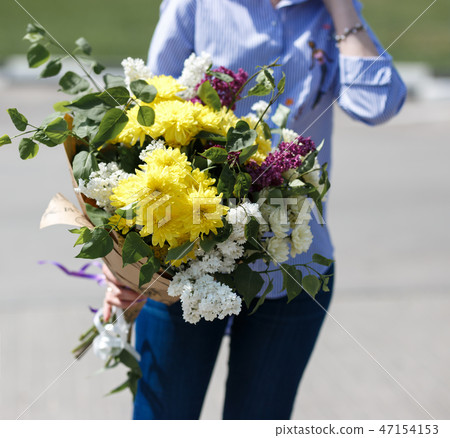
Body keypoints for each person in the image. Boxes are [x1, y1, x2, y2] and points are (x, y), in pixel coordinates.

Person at [103, 0, 407, 420]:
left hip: (294, 272)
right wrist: (125, 258)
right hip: (182, 263)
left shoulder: (329, 13)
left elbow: (378, 105)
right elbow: (143, 125)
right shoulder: (195, 5)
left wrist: (341, 8)